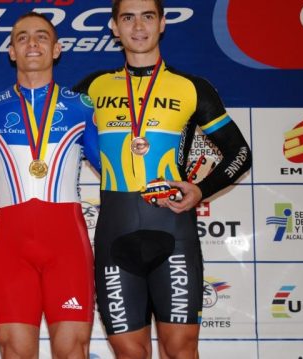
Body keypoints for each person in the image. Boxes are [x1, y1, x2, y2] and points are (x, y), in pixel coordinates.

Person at [74, 0, 252, 358]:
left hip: (174, 234)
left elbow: (240, 154)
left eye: (147, 16)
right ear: (114, 26)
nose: (138, 26)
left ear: (162, 24)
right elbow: (54, 141)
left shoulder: (191, 87)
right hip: (115, 237)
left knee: (181, 350)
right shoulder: (92, 88)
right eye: (128, 17)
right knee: (129, 352)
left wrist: (201, 189)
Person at [0, 12, 101, 359]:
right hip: (10, 247)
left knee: (72, 350)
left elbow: (111, 171)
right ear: (12, 52)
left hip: (68, 246)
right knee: (15, 351)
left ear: (58, 49)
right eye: (22, 38)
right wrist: (4, 199)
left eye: (42, 37)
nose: (32, 44)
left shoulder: (82, 107)